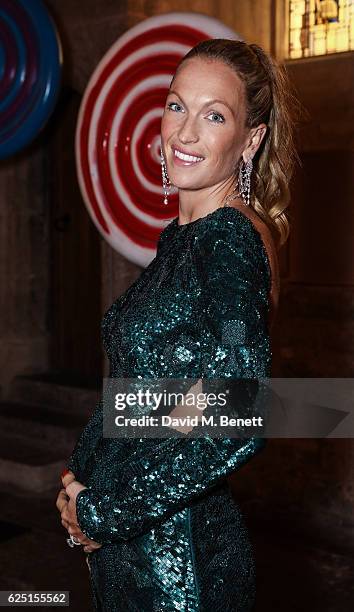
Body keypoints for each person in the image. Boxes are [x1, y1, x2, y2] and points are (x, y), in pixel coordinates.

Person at [56, 38, 300, 611]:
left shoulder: (230, 240)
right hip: (132, 547)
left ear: (251, 138)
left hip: (179, 566)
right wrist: (78, 478)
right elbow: (141, 390)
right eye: (175, 105)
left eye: (214, 115)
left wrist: (105, 510)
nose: (185, 133)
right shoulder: (181, 240)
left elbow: (241, 409)